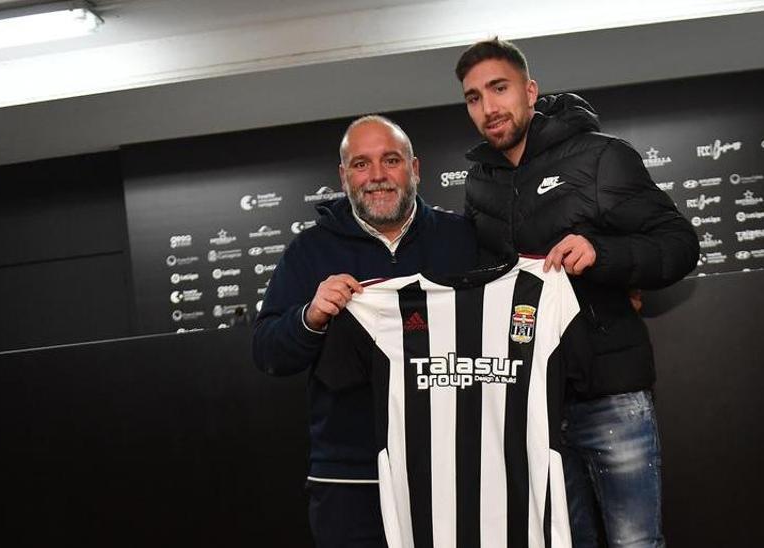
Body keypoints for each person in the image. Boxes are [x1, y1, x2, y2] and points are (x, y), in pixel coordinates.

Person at [454, 38, 699, 548]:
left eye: (499, 88)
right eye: (474, 97)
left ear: (530, 90)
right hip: (534, 408)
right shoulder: (479, 184)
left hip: (612, 398)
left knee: (636, 544)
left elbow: (679, 245)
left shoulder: (600, 156)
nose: (488, 107)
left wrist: (601, 254)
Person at [252, 115, 478, 548]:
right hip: (350, 480)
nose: (376, 176)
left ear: (414, 168)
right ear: (343, 175)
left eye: (390, 160)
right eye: (361, 164)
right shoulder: (309, 252)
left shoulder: (464, 240)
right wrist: (311, 316)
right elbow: (266, 352)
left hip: (453, 469)